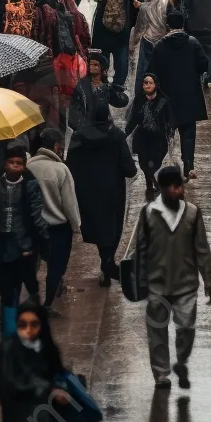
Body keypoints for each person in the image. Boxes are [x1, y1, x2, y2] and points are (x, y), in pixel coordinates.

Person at [131, 165, 211, 389]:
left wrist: (208, 280)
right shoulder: (149, 213)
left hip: (186, 284)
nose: (180, 191)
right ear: (163, 188)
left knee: (186, 327)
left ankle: (182, 360)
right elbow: (141, 249)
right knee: (156, 330)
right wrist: (140, 281)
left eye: (180, 186)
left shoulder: (193, 213)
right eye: (175, 187)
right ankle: (160, 373)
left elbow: (202, 248)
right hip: (156, 284)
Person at [0, 144, 50, 337]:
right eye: (11, 162)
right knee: (7, 291)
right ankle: (8, 332)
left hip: (24, 248)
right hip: (1, 247)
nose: (14, 166)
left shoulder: (31, 186)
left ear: (24, 166)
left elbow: (37, 216)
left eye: (19, 163)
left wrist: (40, 244)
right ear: (4, 163)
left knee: (27, 286)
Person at [67, 102, 137, 285]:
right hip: (112, 192)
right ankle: (108, 263)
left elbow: (70, 167)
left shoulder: (79, 137)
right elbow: (130, 169)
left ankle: (106, 263)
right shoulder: (116, 138)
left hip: (87, 192)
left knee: (98, 227)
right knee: (111, 228)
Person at [146, 9, 208, 180]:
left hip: (166, 96)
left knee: (165, 131)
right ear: (183, 25)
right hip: (189, 95)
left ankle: (165, 165)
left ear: (167, 26)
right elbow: (204, 64)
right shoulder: (193, 43)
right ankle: (188, 165)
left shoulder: (159, 45)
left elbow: (151, 71)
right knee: (188, 132)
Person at [26, 129, 80, 317]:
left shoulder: (28, 166)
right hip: (58, 227)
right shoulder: (60, 169)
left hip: (32, 225)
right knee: (56, 266)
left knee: (32, 265)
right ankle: (48, 304)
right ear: (56, 146)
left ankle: (31, 301)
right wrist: (75, 225)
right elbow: (69, 202)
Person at [91, 0, 138, 90]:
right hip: (111, 31)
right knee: (110, 59)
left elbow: (99, 4)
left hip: (114, 31)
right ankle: (107, 86)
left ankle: (114, 87)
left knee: (120, 61)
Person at [126, 72, 172, 199]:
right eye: (145, 82)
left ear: (155, 85)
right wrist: (125, 133)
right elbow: (133, 119)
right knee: (144, 161)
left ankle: (151, 180)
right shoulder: (139, 100)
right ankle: (150, 182)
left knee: (155, 161)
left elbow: (169, 120)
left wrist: (170, 132)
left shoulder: (164, 101)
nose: (147, 85)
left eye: (150, 83)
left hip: (158, 138)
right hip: (142, 137)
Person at [69, 49, 129, 132]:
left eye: (96, 65)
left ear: (102, 68)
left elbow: (120, 102)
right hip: (86, 128)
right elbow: (73, 108)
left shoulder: (106, 87)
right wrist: (79, 127)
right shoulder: (81, 85)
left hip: (103, 127)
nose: (92, 67)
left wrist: (118, 94)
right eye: (91, 65)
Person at [130, 0, 171, 94]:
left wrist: (133, 45)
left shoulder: (144, 7)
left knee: (143, 71)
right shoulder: (167, 2)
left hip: (147, 42)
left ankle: (140, 95)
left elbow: (138, 29)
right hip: (163, 41)